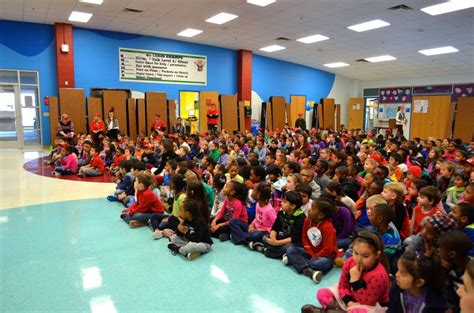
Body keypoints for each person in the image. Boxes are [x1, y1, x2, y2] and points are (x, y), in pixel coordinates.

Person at [303, 231, 390, 313]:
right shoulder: (350, 262)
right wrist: (349, 301)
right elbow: (342, 287)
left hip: (371, 306)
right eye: (355, 253)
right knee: (322, 293)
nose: (359, 260)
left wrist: (355, 281)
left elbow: (367, 302)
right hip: (351, 298)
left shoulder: (379, 275)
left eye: (365, 256)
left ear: (376, 255)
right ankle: (335, 311)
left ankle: (325, 311)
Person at [285, 199, 337, 284]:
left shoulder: (328, 227)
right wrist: (311, 253)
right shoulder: (307, 221)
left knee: (320, 264)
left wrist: (316, 256)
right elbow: (304, 238)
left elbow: (328, 249)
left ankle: (295, 261)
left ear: (320, 215)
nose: (309, 210)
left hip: (324, 256)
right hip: (310, 253)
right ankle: (308, 270)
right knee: (290, 249)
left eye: (312, 209)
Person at [261, 191, 305, 259]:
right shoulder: (282, 212)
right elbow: (275, 227)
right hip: (282, 237)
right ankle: (280, 253)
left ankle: (266, 249)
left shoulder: (300, 217)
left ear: (292, 206)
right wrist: (273, 237)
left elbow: (295, 238)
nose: (281, 203)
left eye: (284, 202)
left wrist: (276, 243)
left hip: (293, 242)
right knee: (264, 238)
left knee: (287, 248)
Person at [438, 231, 472, 313]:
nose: (438, 250)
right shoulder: (447, 266)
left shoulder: (471, 272)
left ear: (452, 254)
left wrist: (454, 310)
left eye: (440, 248)